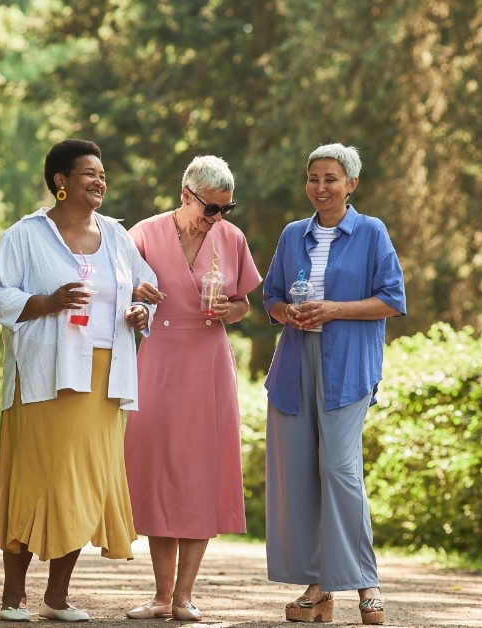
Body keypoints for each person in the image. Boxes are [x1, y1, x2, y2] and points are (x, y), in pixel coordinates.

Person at [0, 139, 158, 622]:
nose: (100, 181)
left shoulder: (117, 237)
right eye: (88, 174)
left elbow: (146, 289)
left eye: (102, 174)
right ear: (60, 181)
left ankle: (57, 597)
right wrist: (47, 303)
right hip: (44, 377)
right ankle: (13, 597)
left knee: (83, 485)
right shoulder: (27, 235)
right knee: (36, 479)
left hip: (104, 379)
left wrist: (142, 310)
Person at [261, 144, 406, 625]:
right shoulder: (291, 235)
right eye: (313, 178)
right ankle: (318, 589)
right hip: (295, 363)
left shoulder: (370, 232)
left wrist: (334, 309)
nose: (320, 187)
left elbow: (392, 299)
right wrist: (291, 315)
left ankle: (367, 583)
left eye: (331, 179)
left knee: (340, 471)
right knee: (300, 473)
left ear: (351, 185)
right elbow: (273, 299)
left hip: (348, 366)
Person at [122, 155, 262, 621]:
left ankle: (184, 597)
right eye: (211, 208)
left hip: (208, 362)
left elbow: (245, 304)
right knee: (159, 472)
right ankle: (161, 596)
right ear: (186, 195)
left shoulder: (232, 238)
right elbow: (118, 292)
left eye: (226, 208)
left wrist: (231, 311)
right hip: (157, 358)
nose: (217, 217)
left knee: (202, 473)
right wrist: (137, 300)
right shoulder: (142, 233)